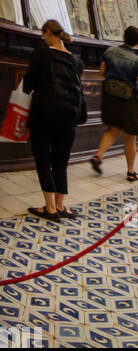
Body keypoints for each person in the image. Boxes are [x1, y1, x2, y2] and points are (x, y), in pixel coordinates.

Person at [22, 19, 85, 222]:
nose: (43, 38)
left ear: (48, 32)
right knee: (61, 160)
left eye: (44, 35)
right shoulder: (76, 62)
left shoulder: (42, 53)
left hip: (44, 114)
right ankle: (60, 205)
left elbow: (28, 84)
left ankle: (49, 208)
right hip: (69, 118)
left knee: (42, 159)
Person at [90, 26, 138, 181]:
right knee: (130, 136)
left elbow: (102, 72)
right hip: (128, 100)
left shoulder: (109, 52)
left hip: (110, 97)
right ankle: (131, 172)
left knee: (113, 129)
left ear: (123, 37)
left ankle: (98, 156)